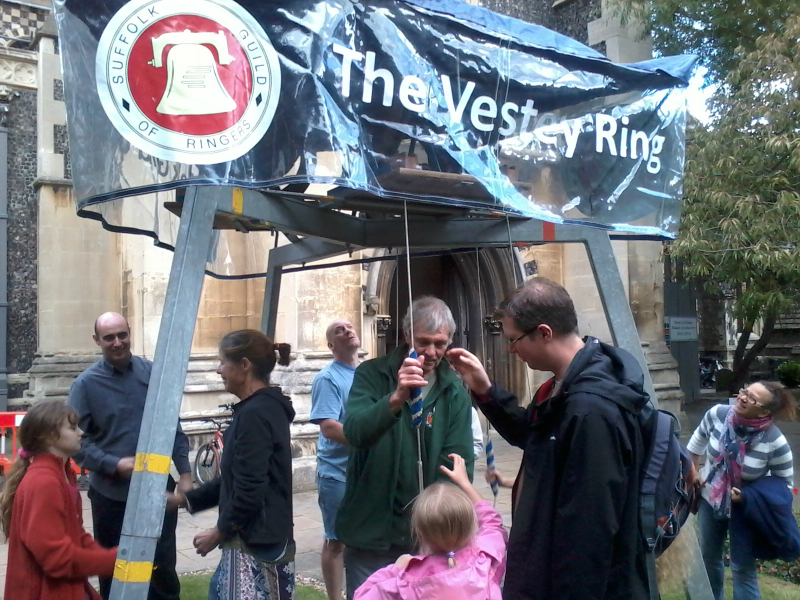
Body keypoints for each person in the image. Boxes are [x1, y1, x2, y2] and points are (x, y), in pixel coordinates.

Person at [447, 277, 650, 600]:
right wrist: (486, 391)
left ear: (544, 333)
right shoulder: (567, 386)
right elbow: (536, 436)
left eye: (514, 339)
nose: (511, 349)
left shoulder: (591, 411)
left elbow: (589, 531)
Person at [337, 296, 475, 600]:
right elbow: (356, 432)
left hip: (427, 540)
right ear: (406, 336)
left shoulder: (453, 391)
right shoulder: (372, 374)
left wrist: (441, 534)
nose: (431, 352)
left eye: (440, 343)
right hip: (371, 532)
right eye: (423, 342)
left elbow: (457, 468)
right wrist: (396, 397)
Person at [69, 312, 191, 600]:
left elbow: (172, 426)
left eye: (122, 335)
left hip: (158, 493)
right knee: (117, 572)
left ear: (130, 333)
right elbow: (76, 443)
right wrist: (115, 464)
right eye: (109, 337)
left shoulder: (153, 373)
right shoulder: (85, 386)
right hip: (112, 497)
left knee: (162, 572)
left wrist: (185, 474)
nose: (117, 342)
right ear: (97, 340)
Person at [168, 330, 295, 600]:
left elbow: (250, 488)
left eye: (223, 362)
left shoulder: (256, 414)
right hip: (260, 538)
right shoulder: (259, 409)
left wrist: (218, 532)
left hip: (257, 542)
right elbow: (236, 477)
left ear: (244, 365)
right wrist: (185, 500)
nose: (218, 370)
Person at [687, 381, 795, 600]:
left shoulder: (775, 442)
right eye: (745, 391)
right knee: (709, 558)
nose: (743, 398)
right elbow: (697, 440)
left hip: (745, 510)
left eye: (753, 398)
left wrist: (749, 496)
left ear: (764, 411)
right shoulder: (717, 414)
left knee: (742, 568)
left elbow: (785, 486)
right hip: (711, 500)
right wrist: (694, 471)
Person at [1, 400, 117, 600]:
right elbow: (56, 557)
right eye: (72, 427)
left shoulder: (64, 473)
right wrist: (112, 561)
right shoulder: (44, 481)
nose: (81, 432)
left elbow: (76, 533)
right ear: (49, 437)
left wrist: (109, 558)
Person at [354, 453, 507, 600]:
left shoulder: (407, 580)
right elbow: (492, 522)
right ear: (471, 526)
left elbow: (362, 595)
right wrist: (464, 483)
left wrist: (396, 569)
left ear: (419, 535)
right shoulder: (485, 559)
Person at [311, 319, 360, 600]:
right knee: (336, 541)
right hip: (337, 474)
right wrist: (366, 436)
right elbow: (328, 427)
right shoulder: (327, 378)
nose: (348, 330)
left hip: (363, 472)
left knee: (363, 539)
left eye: (350, 327)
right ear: (331, 346)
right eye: (339, 330)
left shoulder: (367, 374)